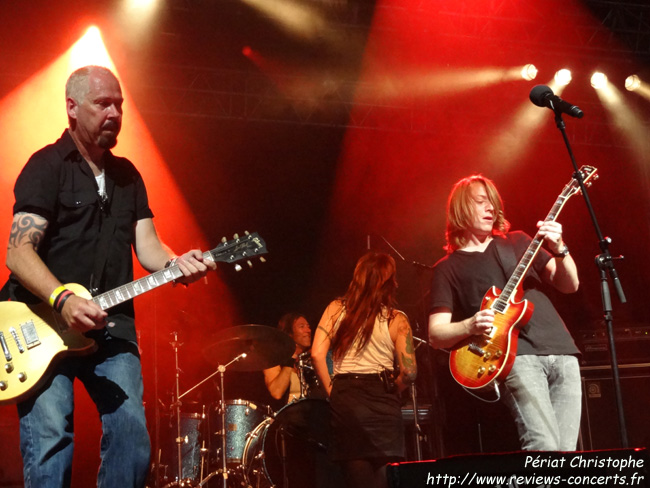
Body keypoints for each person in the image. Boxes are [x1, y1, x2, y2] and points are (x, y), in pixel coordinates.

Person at [2, 65, 216, 488]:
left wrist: (179, 263)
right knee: (50, 441)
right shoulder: (47, 166)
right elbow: (17, 252)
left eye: (118, 104)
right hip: (41, 323)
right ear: (72, 108)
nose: (115, 112)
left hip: (112, 325)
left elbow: (150, 248)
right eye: (103, 103)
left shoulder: (128, 176)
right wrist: (63, 299)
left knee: (132, 438)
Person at [428, 174, 582, 451]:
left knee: (567, 453)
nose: (491, 208)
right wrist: (470, 325)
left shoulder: (519, 241)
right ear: (461, 208)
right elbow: (436, 333)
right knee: (543, 446)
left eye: (493, 203)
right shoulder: (447, 267)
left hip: (562, 350)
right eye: (481, 202)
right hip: (516, 357)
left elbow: (570, 285)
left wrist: (560, 248)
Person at [312, 252, 417, 488]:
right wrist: (394, 390)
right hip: (384, 398)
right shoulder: (397, 319)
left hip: (347, 398)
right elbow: (410, 372)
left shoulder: (336, 309)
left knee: (356, 476)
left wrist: (332, 391)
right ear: (390, 283)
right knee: (386, 479)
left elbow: (317, 354)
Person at [263, 312, 317, 404]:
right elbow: (277, 392)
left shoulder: (313, 357)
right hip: (287, 415)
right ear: (289, 333)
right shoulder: (273, 359)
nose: (308, 330)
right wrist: (292, 357)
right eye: (302, 326)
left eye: (308, 326)